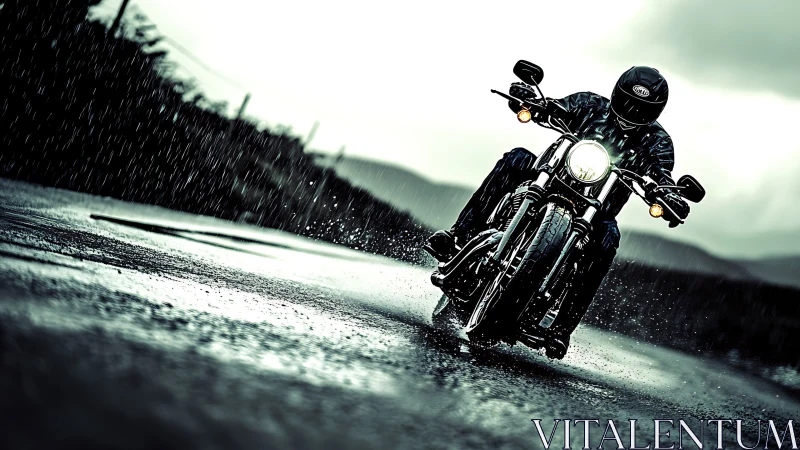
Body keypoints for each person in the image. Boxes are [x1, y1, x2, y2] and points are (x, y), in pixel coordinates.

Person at [426, 66, 690, 358]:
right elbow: (557, 106)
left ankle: (562, 327)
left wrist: (668, 193)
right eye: (629, 102)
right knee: (517, 158)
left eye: (642, 109)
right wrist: (534, 101)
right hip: (551, 179)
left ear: (654, 111)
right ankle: (457, 238)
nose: (633, 111)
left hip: (595, 210)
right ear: (617, 93)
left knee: (608, 236)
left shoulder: (657, 142)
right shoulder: (590, 105)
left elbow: (661, 172)